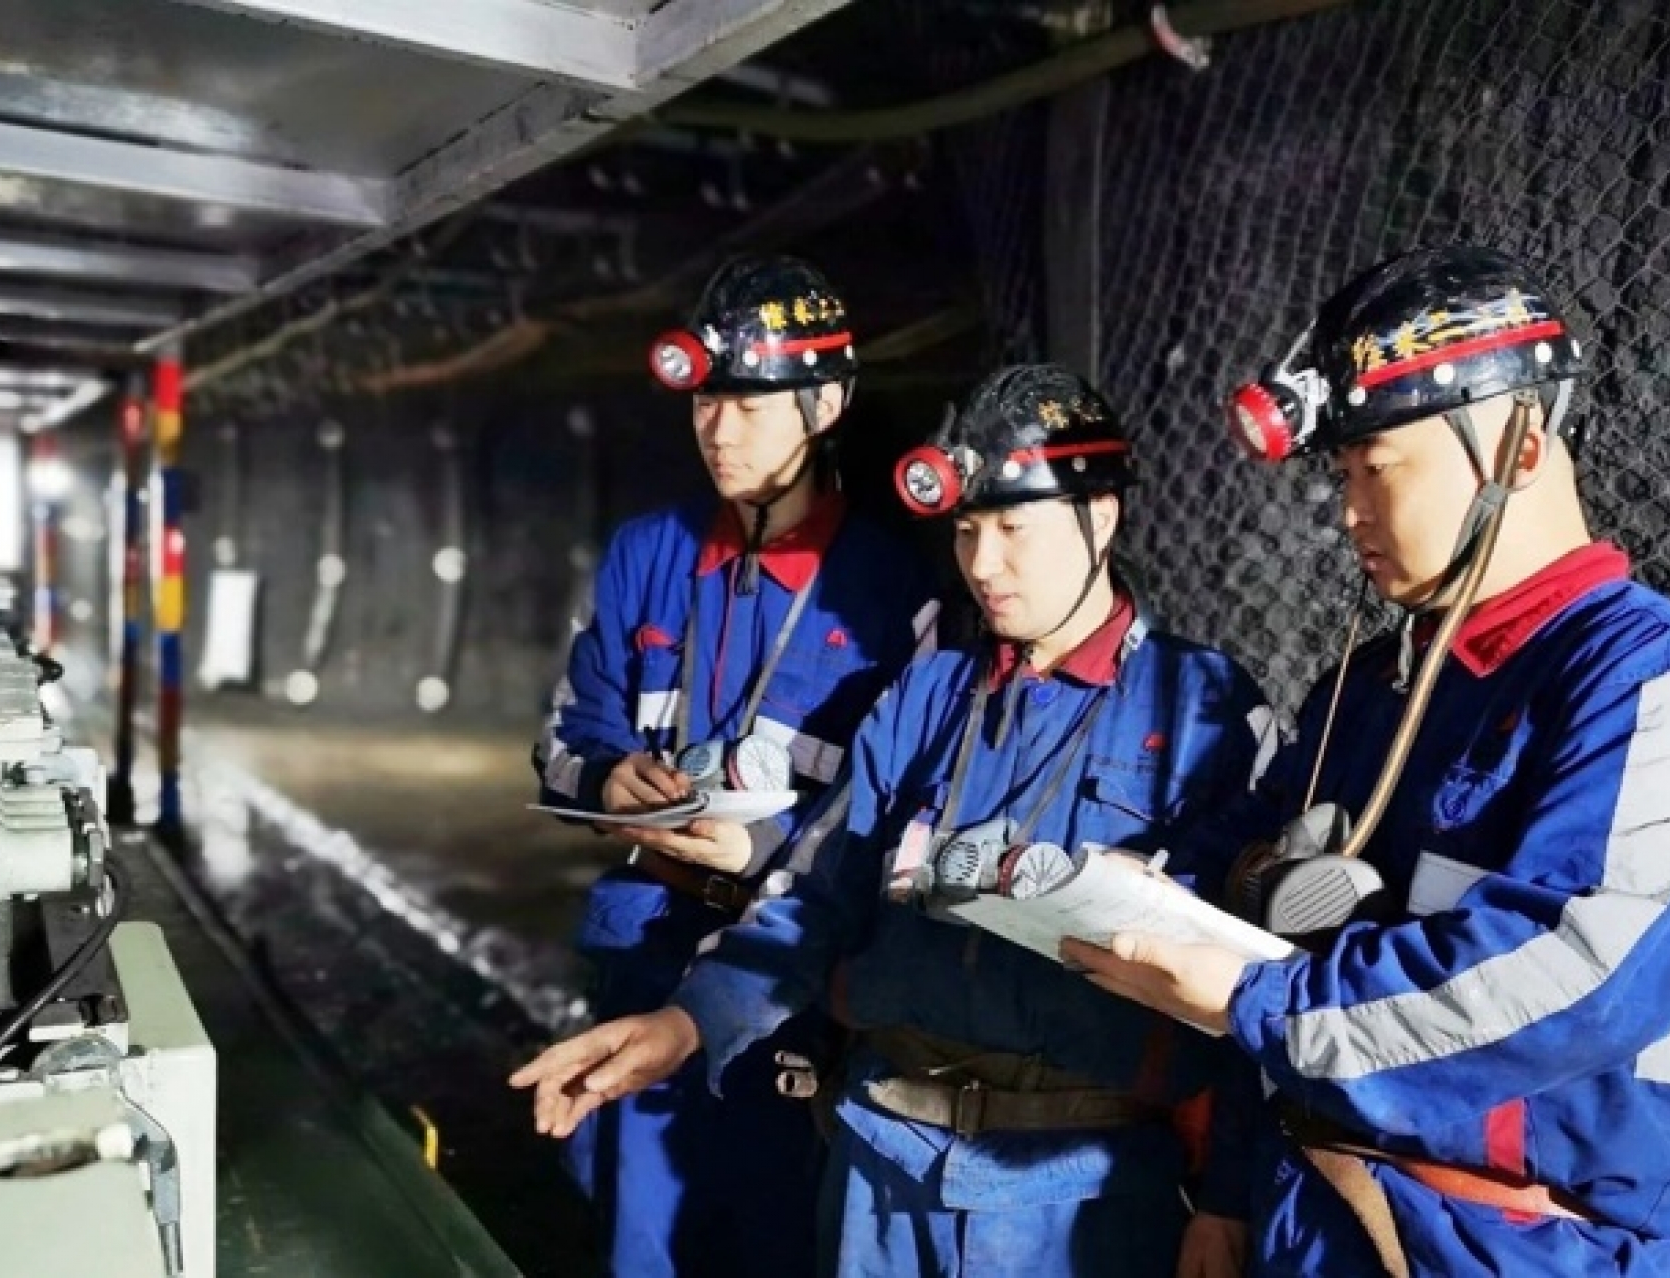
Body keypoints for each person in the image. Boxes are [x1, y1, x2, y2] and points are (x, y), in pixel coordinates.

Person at [1064, 245, 1670, 1278]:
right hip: (1317, 1207)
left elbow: (1575, 975)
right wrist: (1135, 894)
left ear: (1519, 445)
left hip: (1539, 1245)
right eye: (1341, 476)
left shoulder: (1664, 687)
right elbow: (1252, 900)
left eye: (1378, 467)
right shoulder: (1368, 692)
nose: (1349, 511)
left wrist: (1252, 1001)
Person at [515, 363, 1280, 1277]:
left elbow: (1249, 981)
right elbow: (813, 897)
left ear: (1101, 517)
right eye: (966, 530)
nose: (982, 564)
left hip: (1078, 1193)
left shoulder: (1203, 709)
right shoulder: (927, 696)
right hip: (879, 1172)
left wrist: (1227, 1200)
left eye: (1012, 529)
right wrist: (682, 1024)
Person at [530, 254, 939, 1277]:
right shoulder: (647, 554)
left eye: (750, 406)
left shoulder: (895, 591)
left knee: (774, 1242)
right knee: (638, 1242)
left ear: (826, 405)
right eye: (707, 401)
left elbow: (902, 810)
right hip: (644, 947)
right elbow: (563, 739)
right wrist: (609, 777)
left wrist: (763, 851)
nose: (718, 428)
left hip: (792, 982)